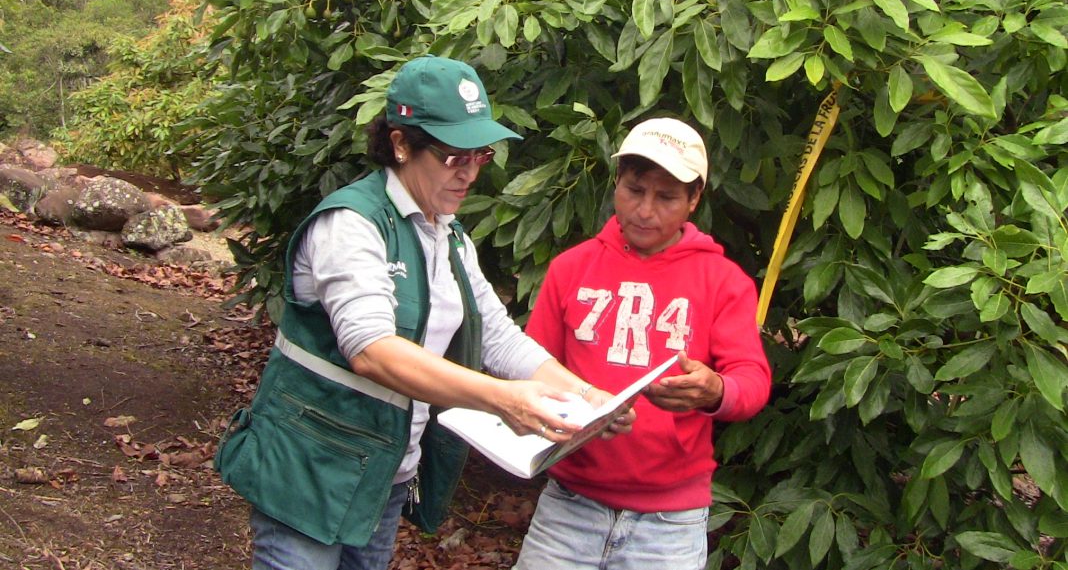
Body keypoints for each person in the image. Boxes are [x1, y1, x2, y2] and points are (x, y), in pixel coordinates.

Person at [215, 55, 612, 570]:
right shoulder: (353, 224)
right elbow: (373, 351)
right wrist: (503, 399)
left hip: (383, 474)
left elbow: (497, 336)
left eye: (481, 156)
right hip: (307, 468)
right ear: (401, 144)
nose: (470, 174)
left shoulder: (447, 235)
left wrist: (585, 399)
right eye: (453, 157)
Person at [514, 117, 772, 570]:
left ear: (693, 200)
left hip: (670, 521)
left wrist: (716, 391)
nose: (645, 210)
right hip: (568, 505)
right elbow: (529, 366)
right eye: (634, 190)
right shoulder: (571, 268)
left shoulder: (722, 281)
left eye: (667, 196)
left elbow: (752, 381)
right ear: (616, 183)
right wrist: (573, 411)